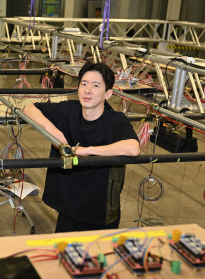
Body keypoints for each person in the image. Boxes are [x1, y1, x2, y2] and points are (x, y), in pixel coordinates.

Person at [22, 61, 140, 233]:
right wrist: (52, 131)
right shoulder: (69, 110)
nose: (87, 90)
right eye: (84, 84)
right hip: (69, 210)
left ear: (108, 94)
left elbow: (133, 148)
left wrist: (87, 150)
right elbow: (28, 109)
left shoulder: (115, 120)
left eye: (95, 85)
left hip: (100, 213)